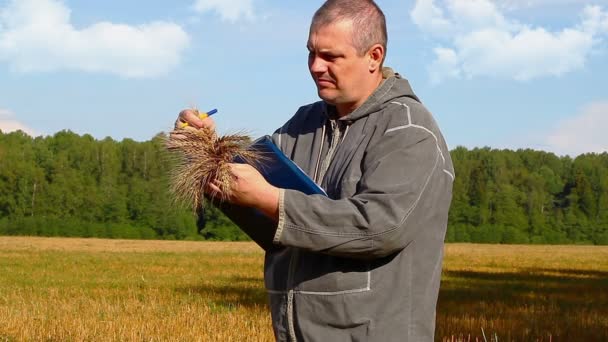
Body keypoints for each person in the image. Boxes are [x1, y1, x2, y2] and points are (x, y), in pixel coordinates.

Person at [175, 0, 454, 340]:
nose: (316, 66)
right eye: (311, 53)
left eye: (331, 56)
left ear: (374, 56)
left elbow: (381, 227)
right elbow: (250, 191)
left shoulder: (408, 131)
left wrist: (274, 201)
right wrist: (205, 150)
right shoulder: (304, 123)